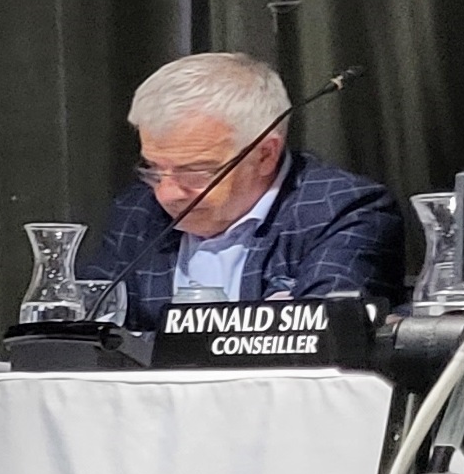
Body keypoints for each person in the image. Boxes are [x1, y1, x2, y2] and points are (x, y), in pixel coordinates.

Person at [89, 51, 399, 326]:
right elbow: (91, 330)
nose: (167, 193)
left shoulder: (343, 210)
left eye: (195, 171)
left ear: (265, 155)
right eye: (154, 168)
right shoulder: (137, 211)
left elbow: (325, 339)